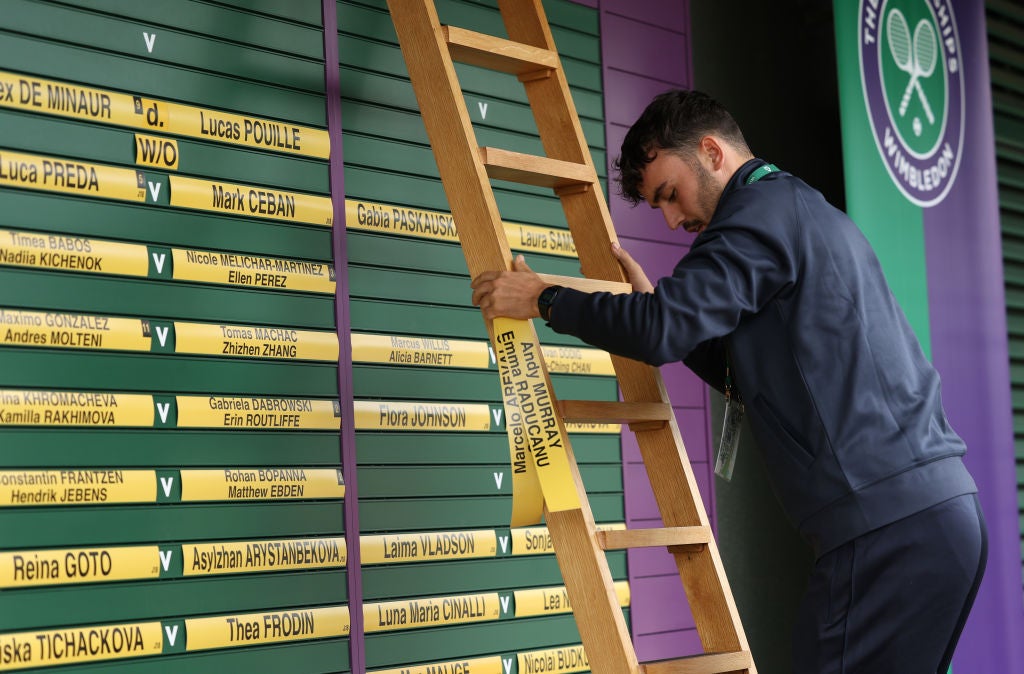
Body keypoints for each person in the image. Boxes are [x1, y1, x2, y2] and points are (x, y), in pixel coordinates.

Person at [471, 90, 987, 673]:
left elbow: (660, 330)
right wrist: (659, 314)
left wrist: (544, 297)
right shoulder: (800, 210)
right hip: (936, 519)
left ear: (712, 152)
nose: (673, 220)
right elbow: (740, 362)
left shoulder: (754, 217)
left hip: (888, 534)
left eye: (669, 194)